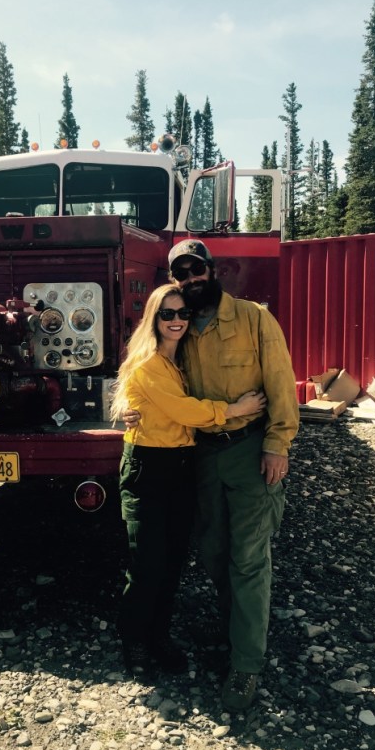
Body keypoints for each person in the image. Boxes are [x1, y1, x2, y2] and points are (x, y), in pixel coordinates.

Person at [123, 240, 300, 710]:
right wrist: (126, 407)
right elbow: (144, 380)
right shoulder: (179, 330)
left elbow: (282, 384)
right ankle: (234, 631)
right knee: (214, 553)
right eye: (180, 272)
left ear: (212, 269)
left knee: (248, 558)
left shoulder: (253, 319)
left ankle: (245, 665)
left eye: (196, 269)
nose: (191, 278)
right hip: (198, 458)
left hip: (247, 451)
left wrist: (278, 444)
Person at [110, 283, 266, 676]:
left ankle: (158, 638)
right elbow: (185, 410)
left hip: (181, 466)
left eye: (183, 313)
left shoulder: (180, 362)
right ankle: (136, 645)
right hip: (149, 468)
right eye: (168, 314)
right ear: (153, 319)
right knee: (147, 564)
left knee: (172, 562)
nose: (177, 320)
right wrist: (235, 409)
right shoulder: (147, 365)